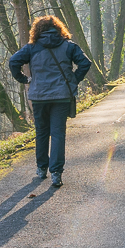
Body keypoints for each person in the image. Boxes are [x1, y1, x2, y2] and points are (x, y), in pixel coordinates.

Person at [8, 15, 92, 188]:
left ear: (37, 31)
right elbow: (85, 63)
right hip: (61, 96)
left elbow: (13, 61)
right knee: (58, 133)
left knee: (41, 132)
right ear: (59, 28)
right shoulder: (68, 46)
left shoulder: (32, 48)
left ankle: (41, 169)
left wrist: (24, 79)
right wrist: (74, 79)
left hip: (39, 97)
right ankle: (56, 173)